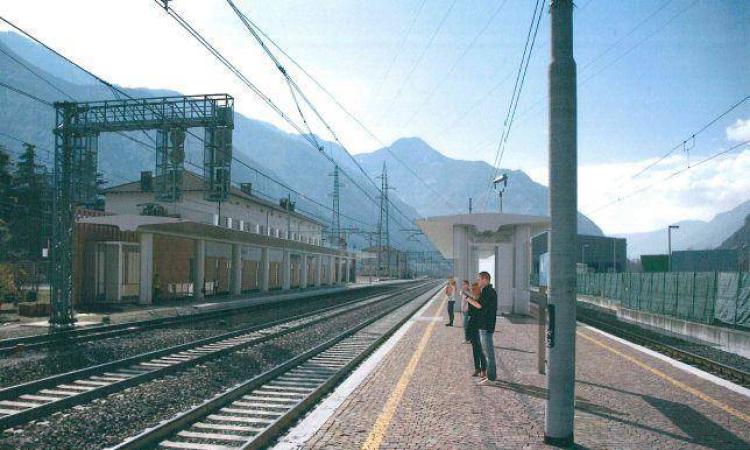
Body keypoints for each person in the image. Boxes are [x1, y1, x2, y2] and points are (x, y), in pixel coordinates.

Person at [477, 271, 498, 382]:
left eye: (479, 279)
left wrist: (467, 298)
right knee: (487, 352)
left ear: (485, 279)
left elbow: (480, 306)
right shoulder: (488, 291)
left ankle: (491, 378)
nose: (478, 281)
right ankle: (490, 376)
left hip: (486, 326)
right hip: (485, 326)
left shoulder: (488, 292)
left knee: (489, 353)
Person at [463, 281, 486, 378]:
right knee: (474, 348)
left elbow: (479, 306)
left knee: (481, 349)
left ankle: (484, 370)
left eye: (475, 289)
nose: (474, 290)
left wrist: (467, 298)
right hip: (472, 326)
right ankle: (477, 368)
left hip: (480, 326)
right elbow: (465, 310)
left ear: (479, 289)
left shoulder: (482, 299)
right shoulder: (472, 299)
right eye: (472, 289)